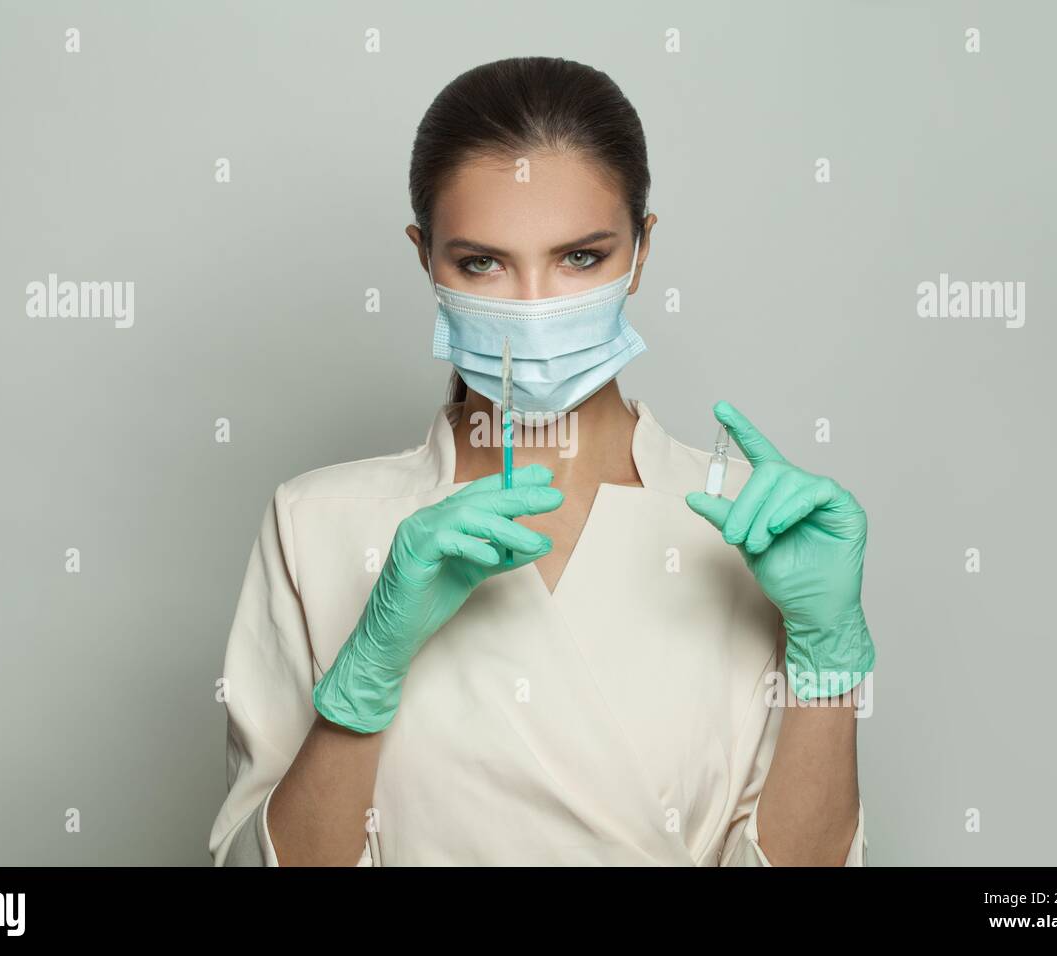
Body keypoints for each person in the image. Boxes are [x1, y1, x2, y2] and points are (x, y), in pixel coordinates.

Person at [209, 56, 876, 866]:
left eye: (581, 258)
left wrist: (827, 660)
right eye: (482, 263)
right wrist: (362, 683)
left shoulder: (758, 528)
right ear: (426, 259)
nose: (534, 308)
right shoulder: (317, 524)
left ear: (641, 251)